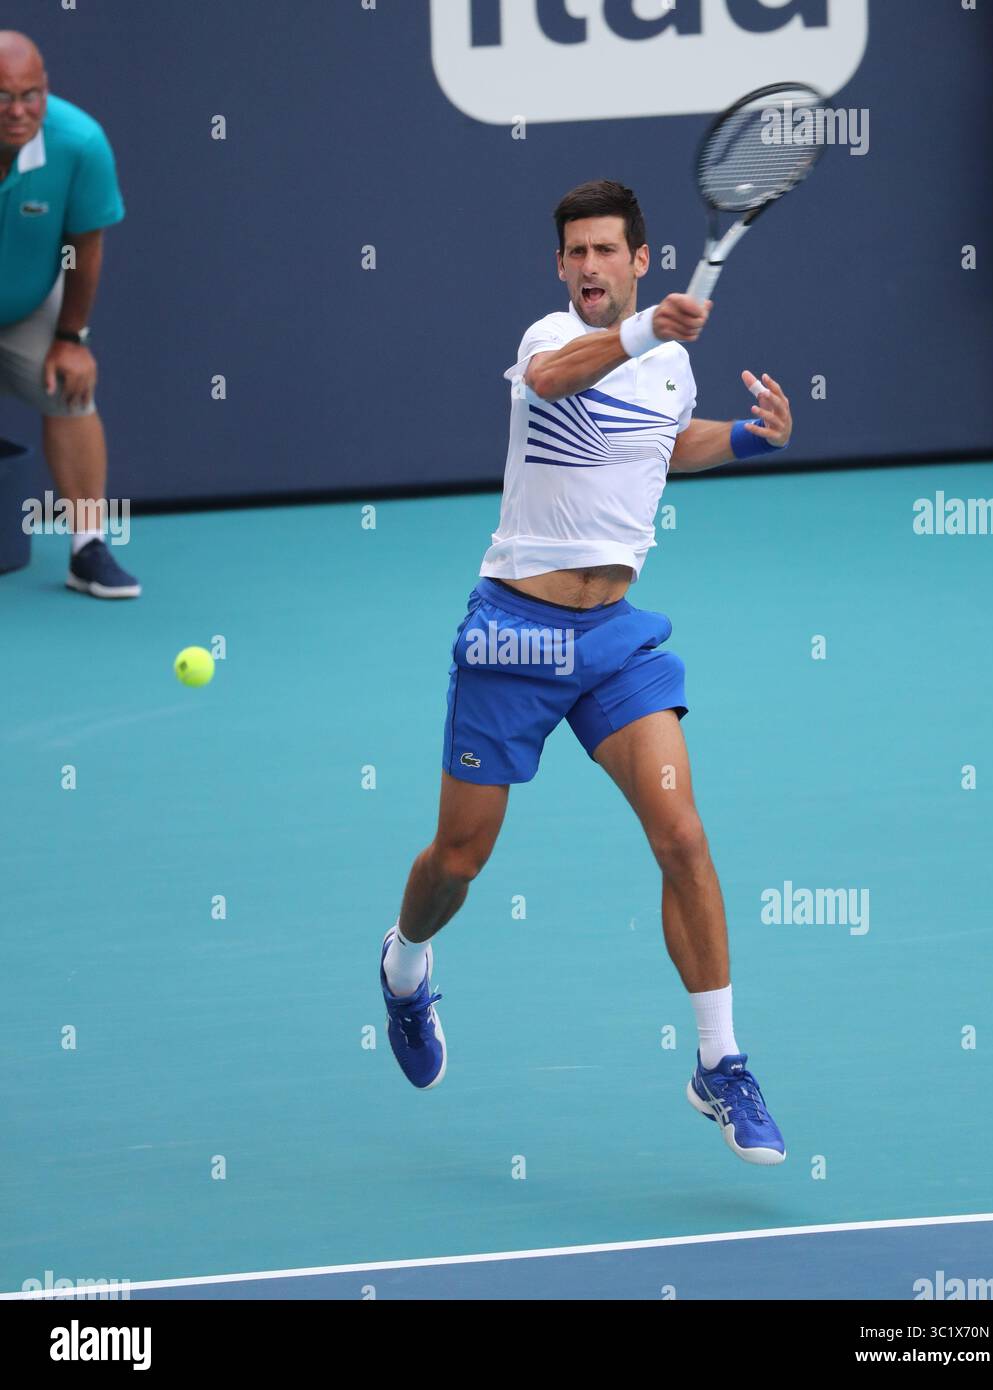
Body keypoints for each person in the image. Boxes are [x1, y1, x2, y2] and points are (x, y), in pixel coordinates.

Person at [380, 181, 793, 1166]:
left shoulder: (668, 367)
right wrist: (645, 329)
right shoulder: (548, 342)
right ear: (559, 268)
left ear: (638, 257)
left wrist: (741, 437)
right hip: (514, 636)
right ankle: (403, 963)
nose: (589, 266)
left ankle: (719, 1060)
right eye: (574, 253)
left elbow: (659, 447)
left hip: (613, 640)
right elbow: (565, 379)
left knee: (681, 834)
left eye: (606, 250)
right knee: (458, 859)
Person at [0, 30, 138, 598]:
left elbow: (85, 245)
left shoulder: (79, 143)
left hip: (29, 304)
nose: (18, 111)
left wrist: (71, 337)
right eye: (2, 96)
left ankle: (87, 549)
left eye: (31, 94)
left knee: (70, 387)